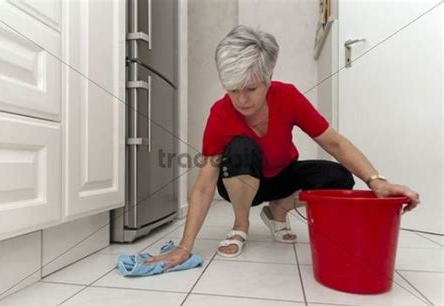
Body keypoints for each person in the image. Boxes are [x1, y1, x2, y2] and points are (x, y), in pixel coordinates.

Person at [146, 25, 420, 269]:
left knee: (339, 177)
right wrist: (184, 246)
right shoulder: (220, 113)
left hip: (283, 177)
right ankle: (241, 224)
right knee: (241, 148)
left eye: (250, 89)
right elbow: (205, 185)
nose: (241, 100)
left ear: (268, 78)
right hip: (240, 183)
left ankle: (278, 210)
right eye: (232, 89)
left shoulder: (287, 96)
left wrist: (376, 181)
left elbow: (334, 142)